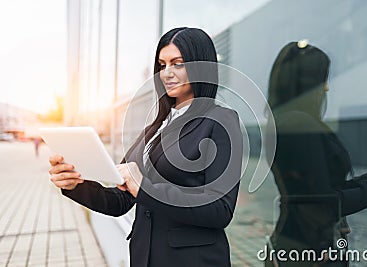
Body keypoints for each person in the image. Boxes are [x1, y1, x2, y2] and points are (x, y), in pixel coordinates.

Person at [48, 27, 243, 267]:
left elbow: (220, 209)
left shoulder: (221, 120)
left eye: (178, 63)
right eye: (162, 65)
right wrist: (75, 185)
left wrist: (145, 188)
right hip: (146, 256)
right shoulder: (156, 127)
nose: (167, 73)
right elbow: (120, 200)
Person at [265, 41, 367, 267]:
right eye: (322, 79)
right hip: (309, 252)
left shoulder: (288, 123)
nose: (327, 88)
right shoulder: (298, 125)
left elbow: (323, 190)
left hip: (302, 245)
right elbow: (324, 203)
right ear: (307, 83)